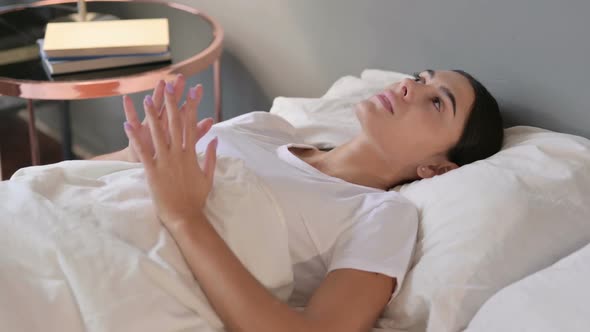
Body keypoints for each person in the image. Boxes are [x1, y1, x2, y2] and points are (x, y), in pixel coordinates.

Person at [94, 69, 503, 331]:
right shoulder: (263, 127)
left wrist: (184, 217)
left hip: (115, 278)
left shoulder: (380, 215)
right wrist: (138, 154)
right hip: (64, 214)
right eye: (420, 76)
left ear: (436, 169)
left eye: (436, 101)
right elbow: (99, 176)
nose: (410, 86)